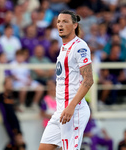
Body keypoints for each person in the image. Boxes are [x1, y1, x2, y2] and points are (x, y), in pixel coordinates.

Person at [39, 10, 93, 150]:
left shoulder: (79, 46)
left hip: (74, 110)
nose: (60, 25)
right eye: (58, 22)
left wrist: (71, 106)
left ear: (75, 25)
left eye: (65, 21)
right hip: (60, 111)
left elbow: (88, 80)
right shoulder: (63, 47)